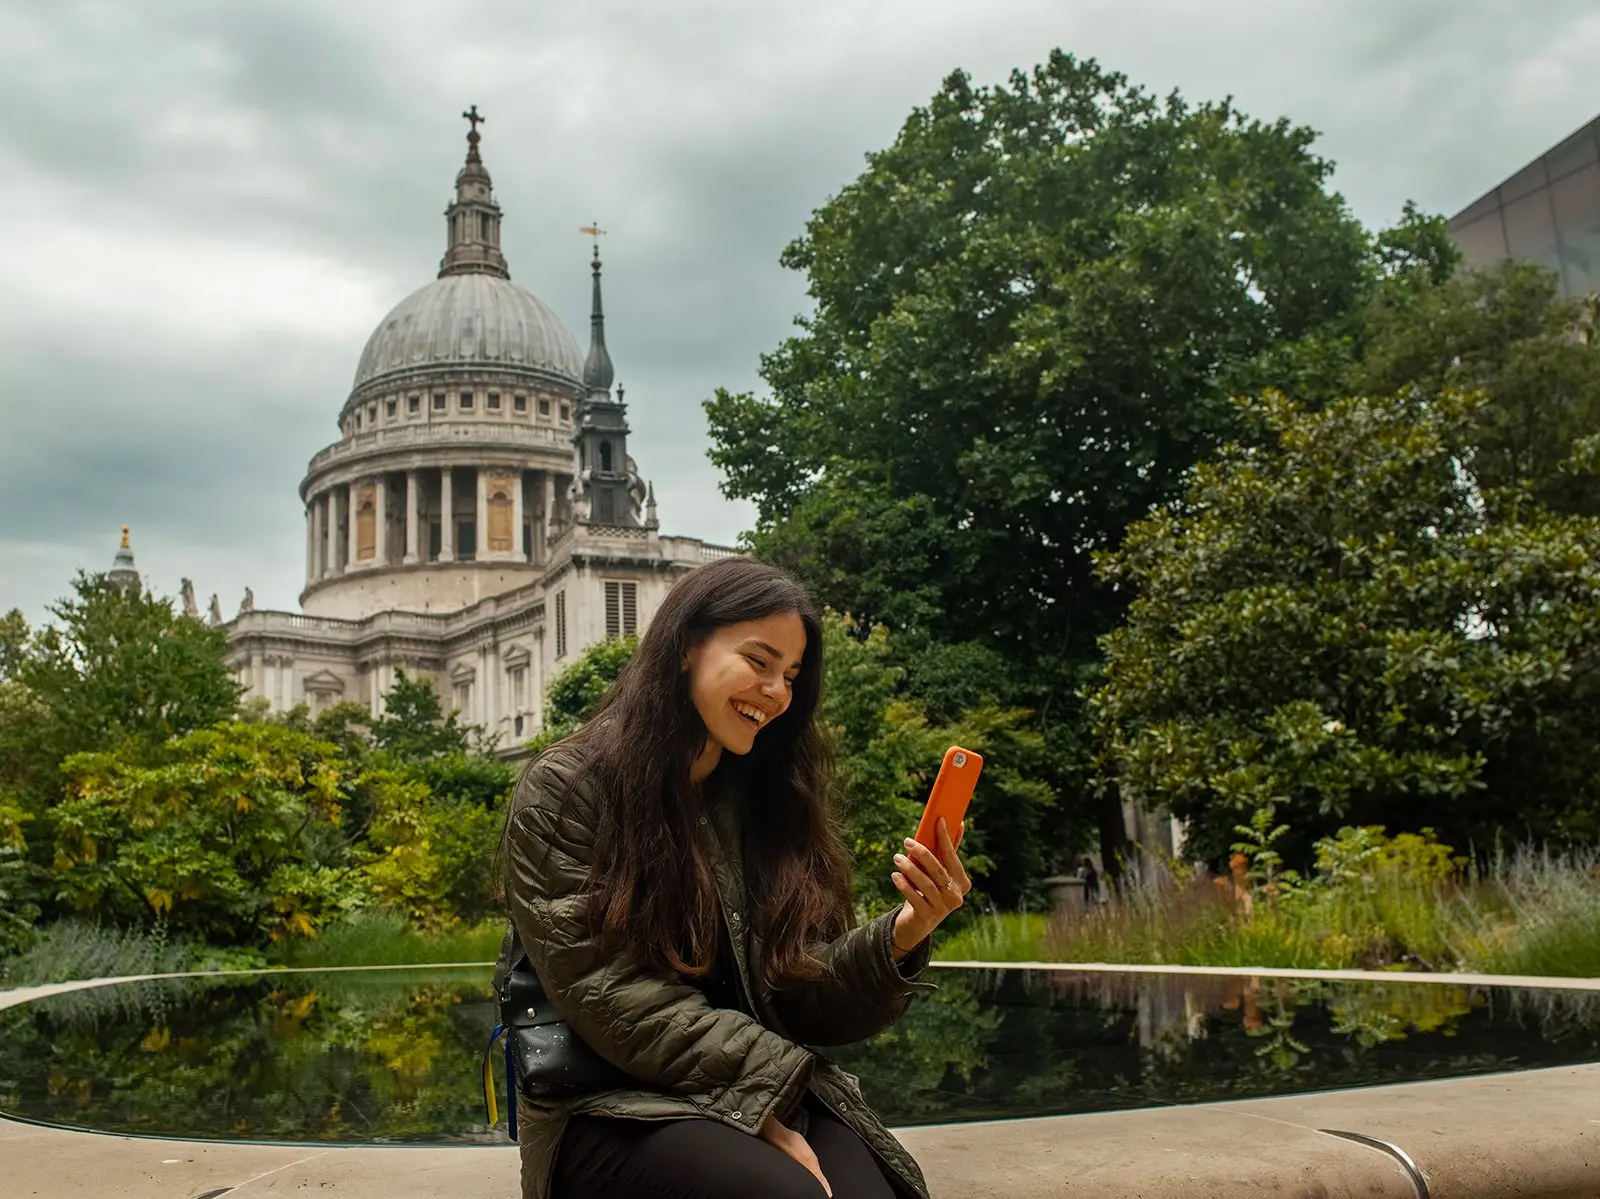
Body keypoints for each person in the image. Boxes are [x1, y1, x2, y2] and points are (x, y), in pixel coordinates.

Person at [497, 558, 971, 1199]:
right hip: (607, 1102)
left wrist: (908, 931)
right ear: (688, 646)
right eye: (759, 661)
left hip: (746, 1081)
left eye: (791, 676)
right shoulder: (566, 789)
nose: (778, 692)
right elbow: (611, 994)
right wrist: (761, 1106)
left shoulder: (770, 798)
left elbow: (798, 988)